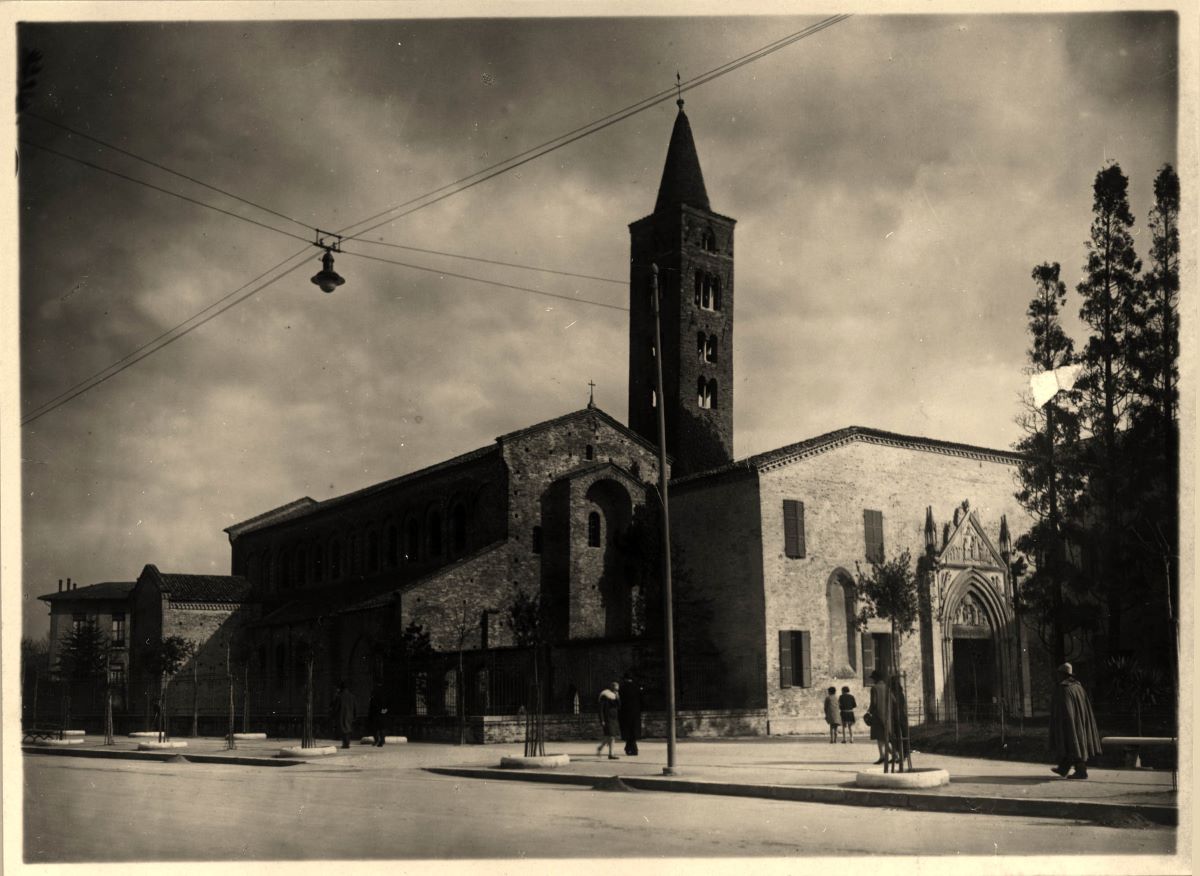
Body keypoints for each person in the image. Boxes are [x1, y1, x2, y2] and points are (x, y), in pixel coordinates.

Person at [1049, 662, 1102, 779]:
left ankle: (1081, 771)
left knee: (1072, 743)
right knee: (1074, 743)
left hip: (1070, 722)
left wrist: (1062, 723)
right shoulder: (1078, 687)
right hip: (1079, 721)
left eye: (1059, 674)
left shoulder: (1064, 688)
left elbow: (1065, 709)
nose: (1057, 677)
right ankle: (1064, 768)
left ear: (1063, 675)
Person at [885, 673, 911, 765]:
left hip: (896, 717)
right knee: (901, 735)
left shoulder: (892, 694)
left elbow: (893, 705)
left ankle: (900, 755)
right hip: (902, 716)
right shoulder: (901, 693)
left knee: (896, 736)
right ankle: (903, 754)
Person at [866, 670, 890, 765]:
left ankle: (883, 756)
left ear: (876, 679)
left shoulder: (874, 688)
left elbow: (874, 703)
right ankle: (894, 754)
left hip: (877, 715)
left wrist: (869, 712)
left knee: (879, 737)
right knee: (886, 736)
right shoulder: (887, 688)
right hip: (887, 715)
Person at [618, 673, 642, 756]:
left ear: (625, 679)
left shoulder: (622, 688)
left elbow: (619, 700)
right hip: (635, 712)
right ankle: (632, 749)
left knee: (628, 731)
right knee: (633, 730)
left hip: (625, 712)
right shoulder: (636, 687)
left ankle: (630, 748)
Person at [596, 680, 621, 759]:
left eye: (617, 689)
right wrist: (602, 720)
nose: (616, 691)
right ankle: (611, 754)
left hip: (614, 718)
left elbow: (619, 706)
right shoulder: (605, 695)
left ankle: (600, 748)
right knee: (611, 736)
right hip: (607, 718)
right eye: (615, 689)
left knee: (609, 736)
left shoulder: (615, 696)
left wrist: (617, 697)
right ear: (612, 688)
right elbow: (600, 709)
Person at [331, 680, 357, 749]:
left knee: (343, 730)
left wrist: (333, 714)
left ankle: (346, 743)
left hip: (341, 715)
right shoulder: (352, 696)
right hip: (350, 715)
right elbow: (355, 707)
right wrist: (354, 715)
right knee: (347, 729)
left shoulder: (339, 697)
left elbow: (336, 707)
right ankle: (347, 743)